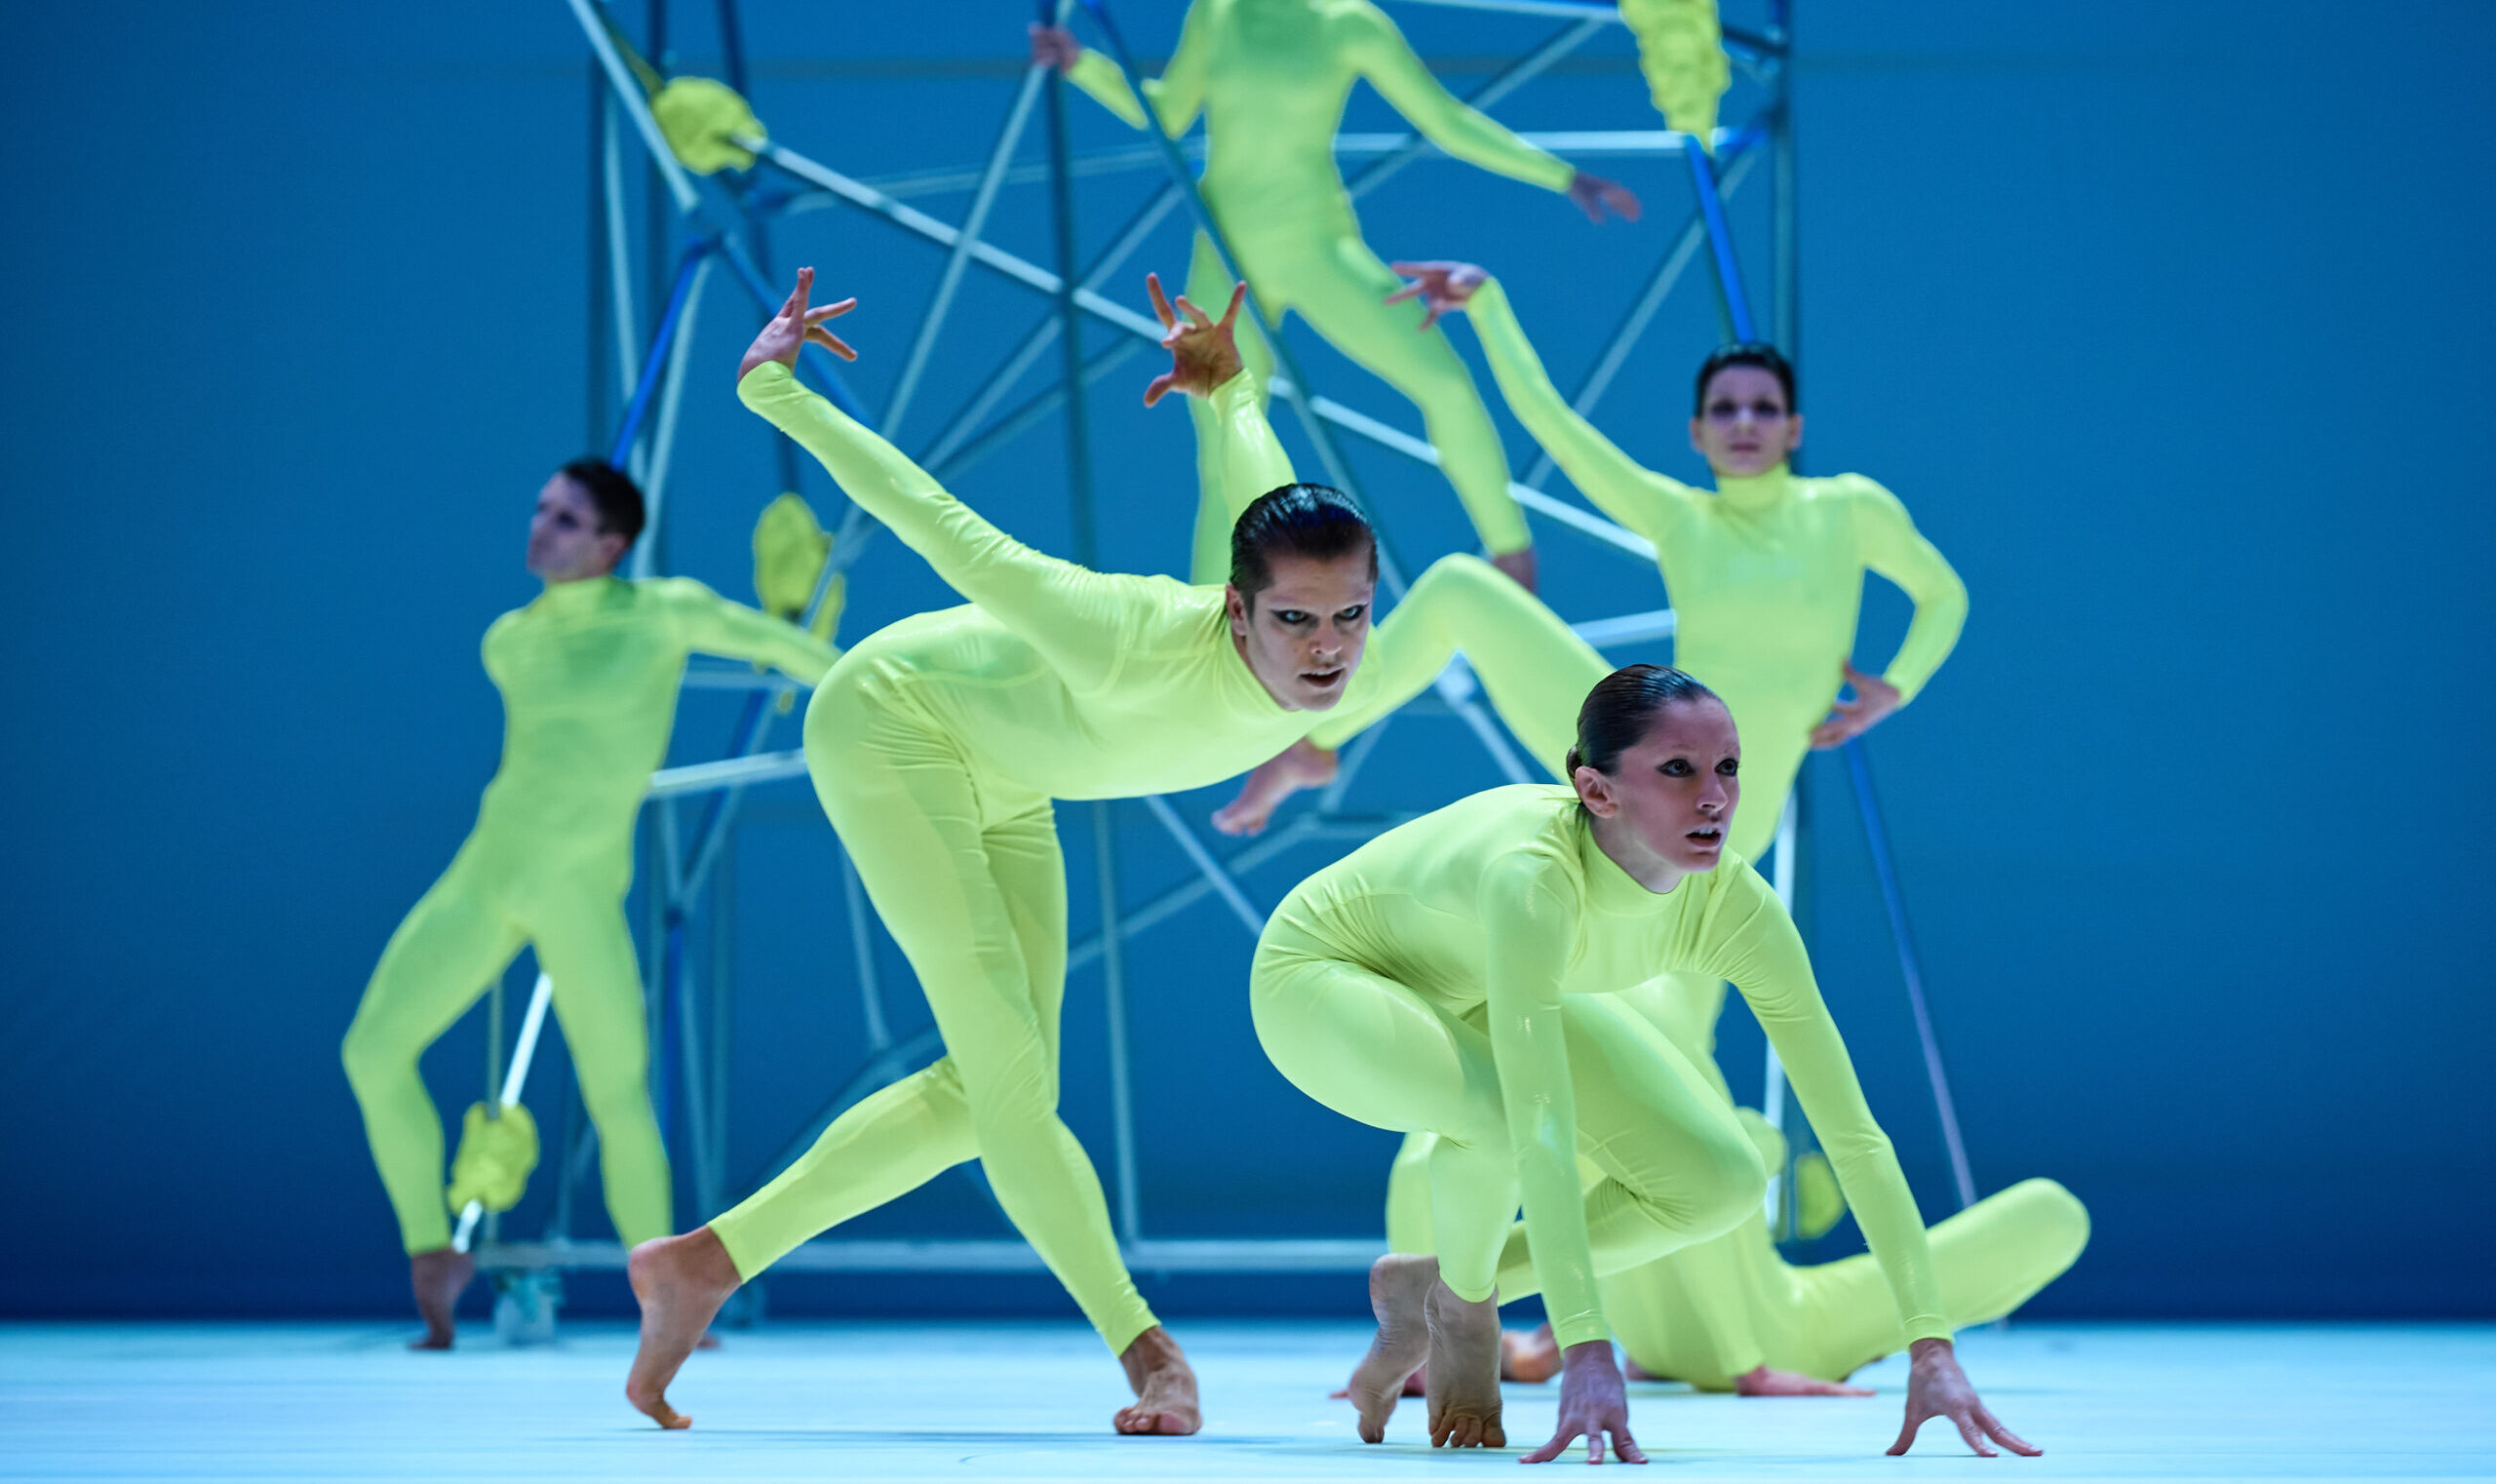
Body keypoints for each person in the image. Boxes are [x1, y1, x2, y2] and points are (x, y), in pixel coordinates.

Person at [620, 268, 1614, 1436]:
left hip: (1012, 773)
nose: (1331, 648)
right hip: (892, 727)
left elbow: (1249, 448)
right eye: (1295, 619)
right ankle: (1152, 1358)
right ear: (1239, 613)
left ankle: (701, 1262)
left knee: (977, 1096)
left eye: (1351, 614)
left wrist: (1219, 387)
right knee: (1011, 1086)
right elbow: (950, 533)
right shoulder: (1125, 633)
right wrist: (775, 397)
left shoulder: (1330, 637)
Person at [1251, 666, 2036, 1462]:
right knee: (1495, 1117)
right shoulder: (1533, 879)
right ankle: (1461, 1320)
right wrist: (1588, 1351)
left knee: (1719, 1180)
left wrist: (1931, 1347)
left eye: (1727, 767)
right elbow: (1542, 1129)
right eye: (1677, 769)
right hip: (1321, 976)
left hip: (1472, 985)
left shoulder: (1736, 907)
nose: (1715, 797)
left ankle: (1440, 1289)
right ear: (1596, 791)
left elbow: (1854, 1134)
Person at [340, 459, 839, 1349]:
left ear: (612, 544)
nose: (541, 527)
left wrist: (878, 680)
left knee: (619, 1095)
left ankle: (670, 1291)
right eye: (540, 508)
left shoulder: (667, 612)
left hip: (577, 896)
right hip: (487, 878)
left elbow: (798, 655)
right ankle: (432, 1252)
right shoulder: (508, 640)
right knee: (373, 1050)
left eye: (567, 519)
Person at [1031, 0, 1642, 593]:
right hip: (1224, 253)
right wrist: (1081, 63)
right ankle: (1202, 626)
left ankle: (1510, 552)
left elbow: (1445, 120)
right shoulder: (1215, 11)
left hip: (1318, 247)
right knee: (1225, 450)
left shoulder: (1349, 23)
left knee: (1445, 382)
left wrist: (1562, 176)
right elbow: (1165, 112)